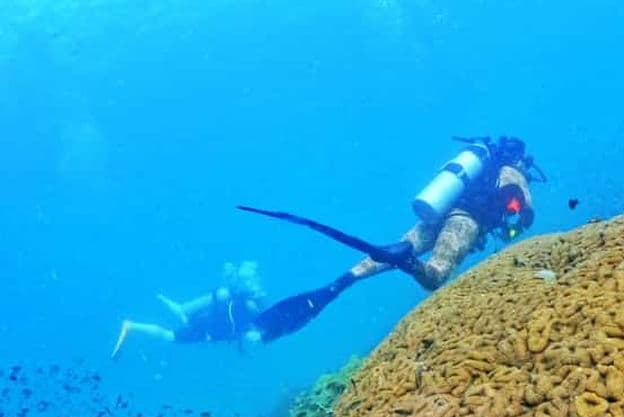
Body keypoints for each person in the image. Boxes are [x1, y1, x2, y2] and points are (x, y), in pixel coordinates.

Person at [239, 135, 546, 342]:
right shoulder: (511, 171)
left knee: (387, 253)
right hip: (465, 220)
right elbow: (526, 213)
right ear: (520, 159)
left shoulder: (474, 163)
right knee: (434, 274)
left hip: (433, 214)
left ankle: (342, 282)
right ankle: (407, 260)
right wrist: (512, 231)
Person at [111, 261, 268, 358]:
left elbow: (239, 327)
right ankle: (131, 325)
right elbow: (246, 332)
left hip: (205, 321)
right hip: (206, 327)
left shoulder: (238, 301)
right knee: (169, 336)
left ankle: (165, 300)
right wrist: (253, 336)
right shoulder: (249, 308)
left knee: (183, 313)